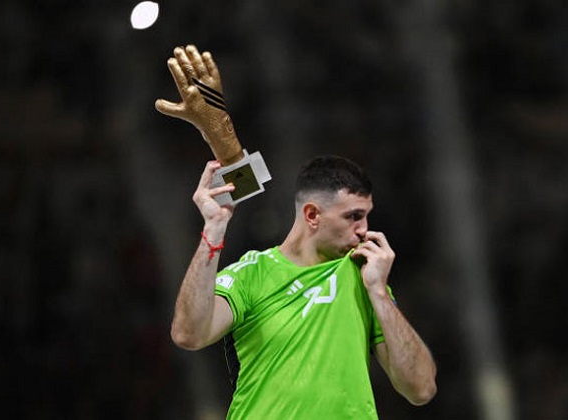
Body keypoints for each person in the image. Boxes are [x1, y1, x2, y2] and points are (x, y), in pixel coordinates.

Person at [156, 44, 437, 419]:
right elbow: (188, 334)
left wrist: (379, 294)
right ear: (312, 214)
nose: (364, 230)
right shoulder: (252, 273)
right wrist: (214, 228)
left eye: (366, 216)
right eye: (353, 217)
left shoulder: (363, 277)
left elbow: (421, 388)